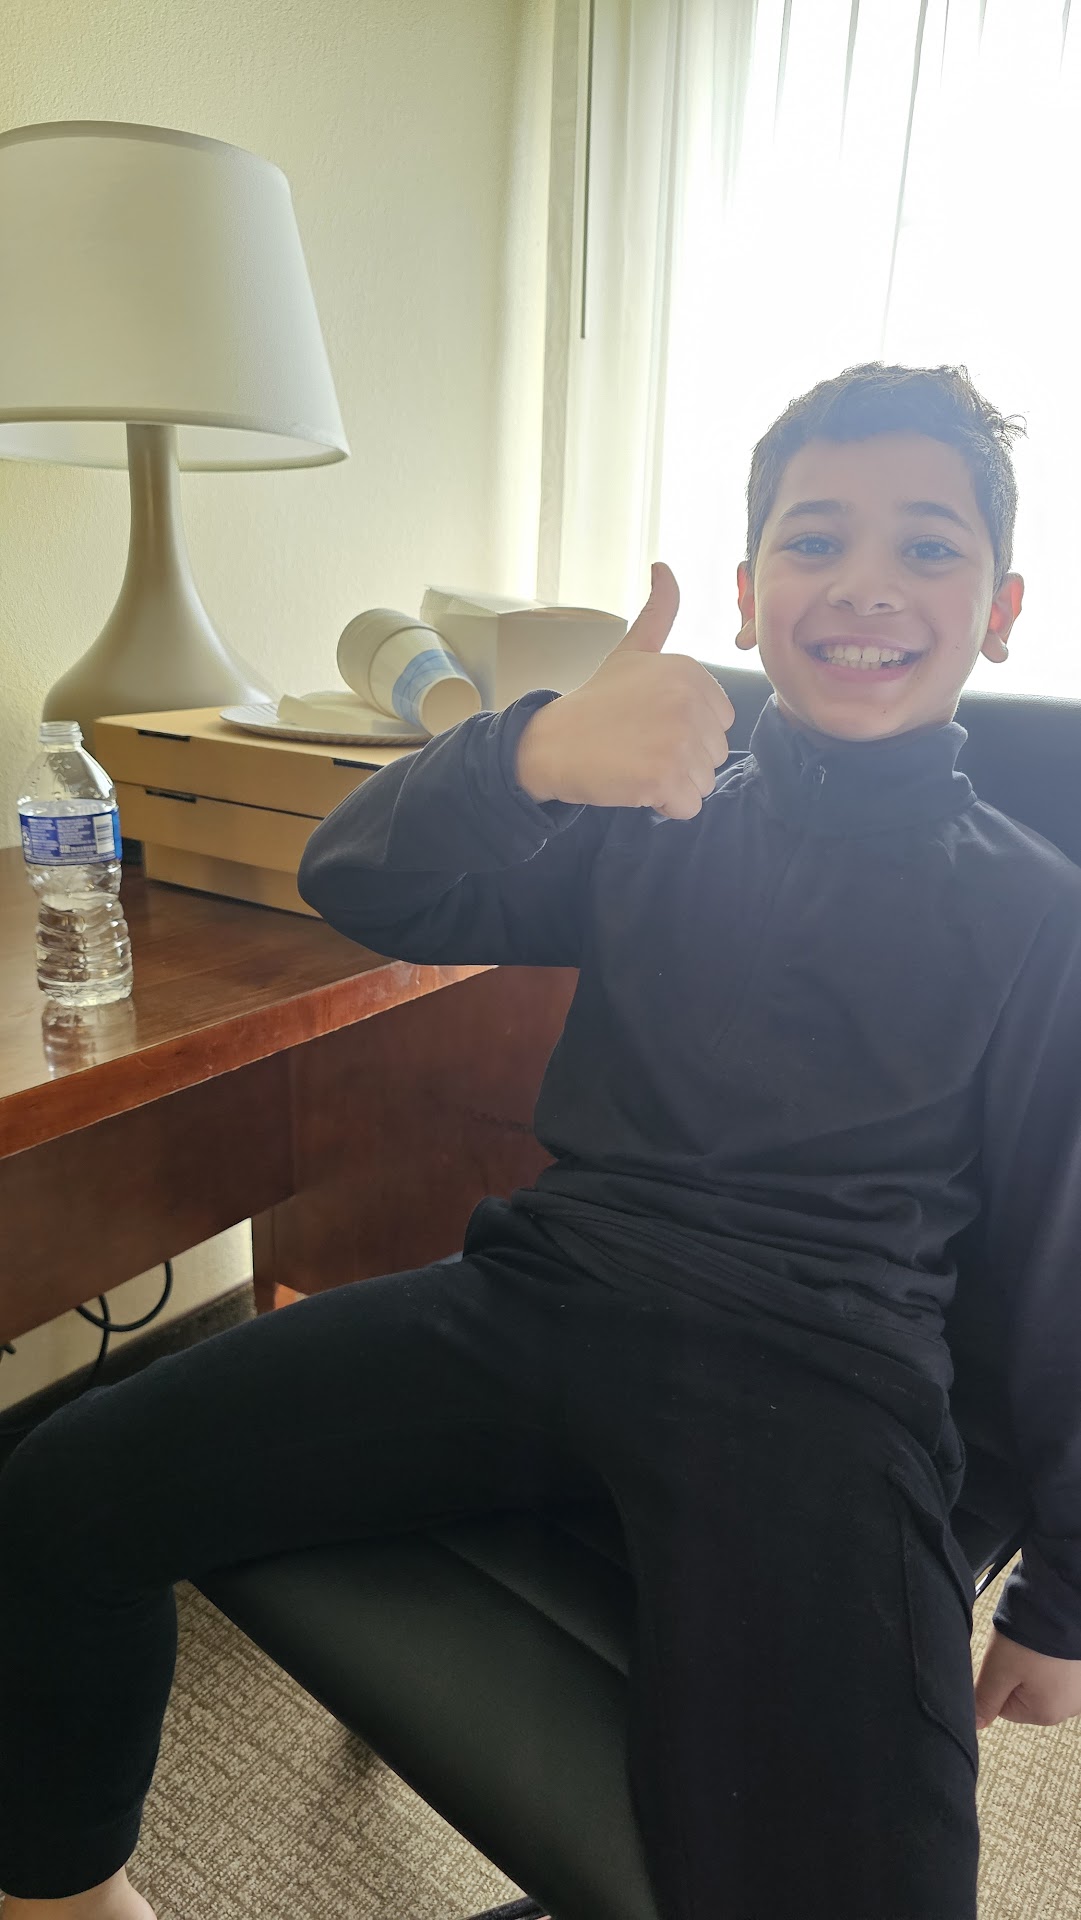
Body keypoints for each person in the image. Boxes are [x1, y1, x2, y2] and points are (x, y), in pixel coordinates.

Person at [2, 361, 1081, 1920]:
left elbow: (1059, 1271)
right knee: (56, 1492)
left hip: (820, 1385)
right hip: (542, 1304)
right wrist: (528, 752)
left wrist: (1061, 1593)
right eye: (813, 538)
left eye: (926, 546)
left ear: (1000, 608)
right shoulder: (660, 811)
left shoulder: (1036, 914)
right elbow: (360, 880)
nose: (863, 583)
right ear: (745, 592)